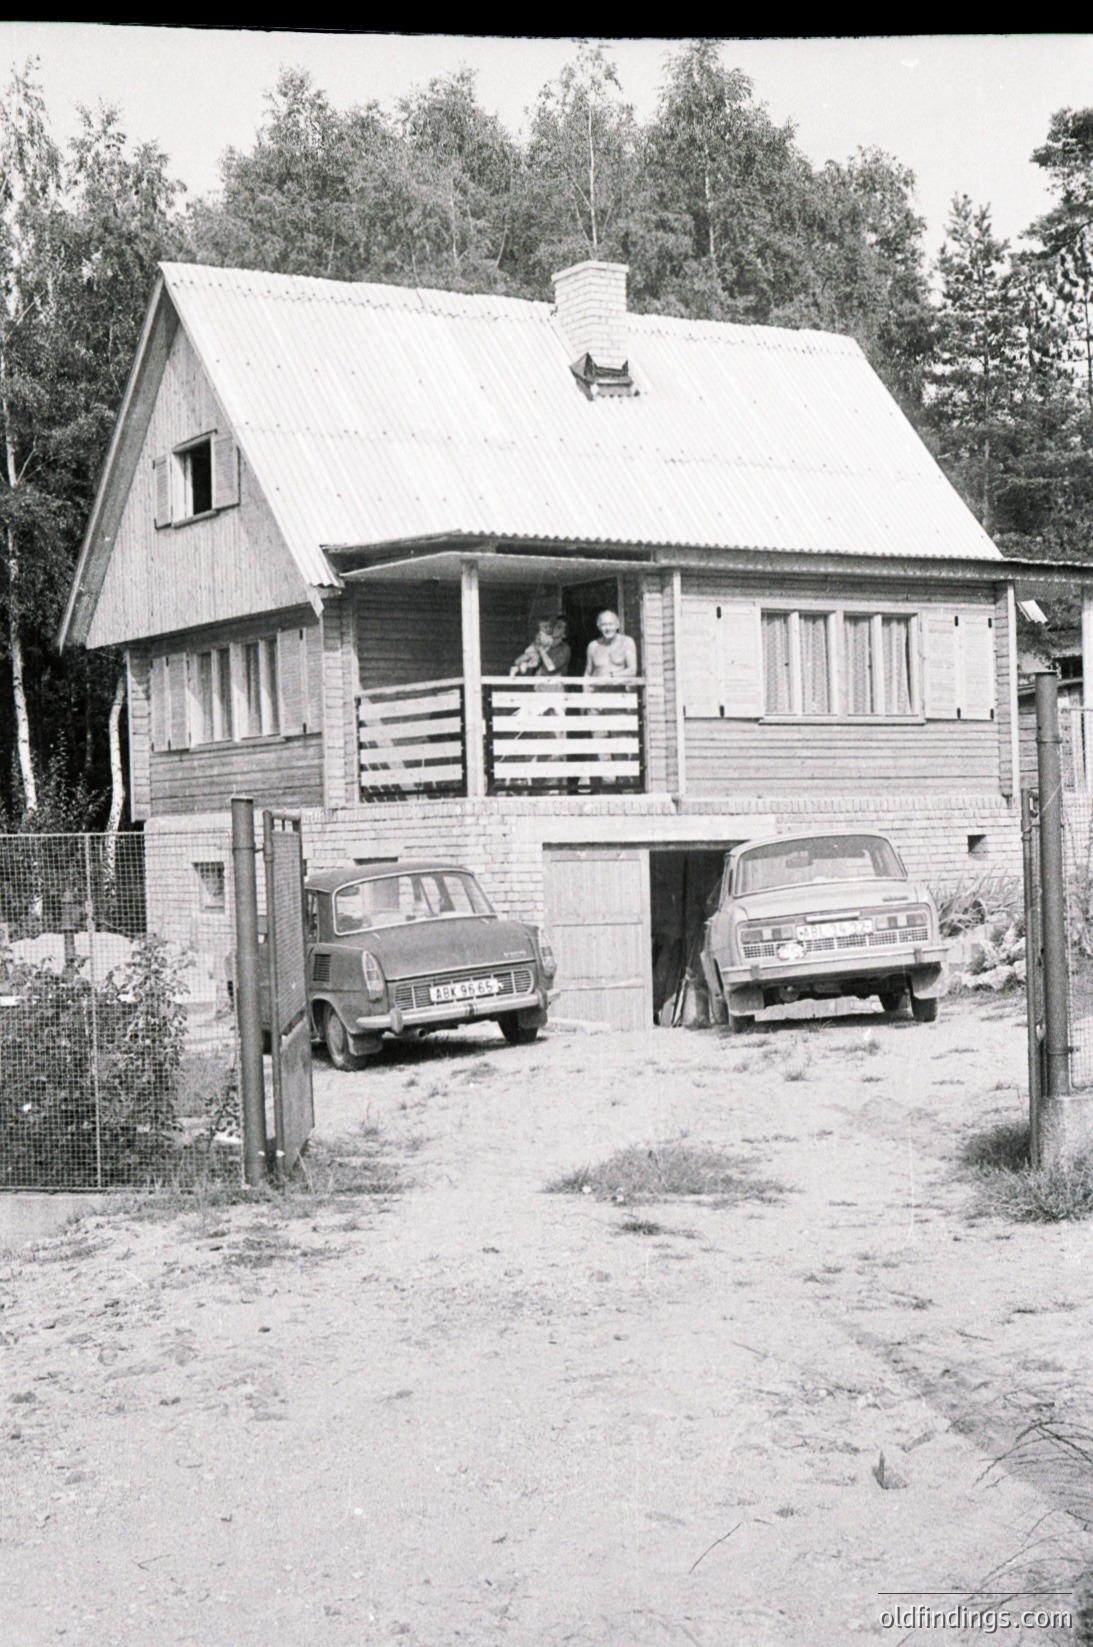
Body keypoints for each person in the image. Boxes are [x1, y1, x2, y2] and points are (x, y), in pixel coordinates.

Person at [506, 617, 572, 781]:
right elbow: (530, 662)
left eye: (559, 627)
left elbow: (550, 667)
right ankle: (535, 782)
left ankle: (557, 785)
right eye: (553, 626)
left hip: (555, 694)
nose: (554, 629)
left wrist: (541, 649)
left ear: (564, 633)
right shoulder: (545, 646)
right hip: (539, 694)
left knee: (557, 739)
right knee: (538, 735)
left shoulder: (564, 649)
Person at [582, 610, 637, 786]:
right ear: (598, 626)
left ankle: (624, 782)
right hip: (596, 699)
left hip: (617, 698)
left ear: (618, 625)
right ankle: (608, 783)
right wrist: (584, 700)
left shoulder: (626, 642)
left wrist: (612, 677)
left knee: (619, 740)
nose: (607, 628)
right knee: (599, 741)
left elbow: (632, 670)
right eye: (603, 624)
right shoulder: (593, 646)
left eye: (611, 624)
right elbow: (588, 673)